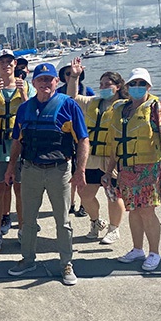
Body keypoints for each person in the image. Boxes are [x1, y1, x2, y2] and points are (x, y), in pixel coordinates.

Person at [4, 63, 89, 286]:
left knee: (62, 220)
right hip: (30, 169)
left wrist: (80, 170)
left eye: (49, 79)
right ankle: (28, 259)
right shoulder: (24, 109)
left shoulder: (69, 105)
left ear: (57, 82)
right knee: (28, 219)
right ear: (33, 83)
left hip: (59, 170)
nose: (45, 84)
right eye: (41, 80)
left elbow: (83, 140)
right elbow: (16, 141)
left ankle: (66, 263)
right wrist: (11, 167)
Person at [103, 68, 161, 271]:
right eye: (133, 84)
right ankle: (137, 249)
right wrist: (109, 171)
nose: (136, 87)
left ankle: (154, 252)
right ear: (127, 87)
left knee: (147, 211)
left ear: (149, 87)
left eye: (141, 84)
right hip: (125, 170)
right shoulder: (120, 109)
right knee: (132, 210)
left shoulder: (157, 108)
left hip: (148, 171)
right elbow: (115, 146)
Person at [66, 58, 127, 244]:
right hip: (91, 158)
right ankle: (95, 222)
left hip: (112, 159)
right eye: (101, 84)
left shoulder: (125, 106)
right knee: (85, 195)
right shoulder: (93, 102)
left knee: (113, 195)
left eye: (107, 84)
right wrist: (74, 76)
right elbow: (72, 97)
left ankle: (113, 229)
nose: (103, 87)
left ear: (118, 86)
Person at [0, 49, 34, 253]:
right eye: (2, 62)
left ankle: (22, 229)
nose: (6, 65)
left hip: (20, 145)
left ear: (15, 64)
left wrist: (25, 95)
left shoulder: (26, 86)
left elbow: (32, 115)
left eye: (9, 61)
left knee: (21, 190)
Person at [57, 63, 92, 218]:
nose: (69, 75)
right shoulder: (57, 92)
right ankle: (71, 204)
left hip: (81, 134)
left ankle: (83, 204)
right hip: (65, 137)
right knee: (69, 172)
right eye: (66, 73)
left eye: (71, 73)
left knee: (81, 171)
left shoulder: (87, 91)